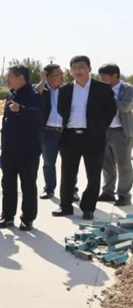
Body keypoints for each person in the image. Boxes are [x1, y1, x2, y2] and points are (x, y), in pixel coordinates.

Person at [52, 55, 117, 220]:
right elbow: (61, 110)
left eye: (82, 67)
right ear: (71, 71)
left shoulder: (102, 88)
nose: (78, 71)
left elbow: (111, 110)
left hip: (93, 138)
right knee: (67, 174)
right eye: (75, 68)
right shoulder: (65, 90)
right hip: (70, 137)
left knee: (93, 175)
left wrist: (99, 127)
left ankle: (88, 208)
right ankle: (65, 206)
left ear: (89, 69)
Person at [0, 65, 44, 231]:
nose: (7, 79)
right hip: (9, 148)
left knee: (28, 185)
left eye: (10, 76)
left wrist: (21, 109)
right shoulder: (11, 94)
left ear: (21, 78)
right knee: (8, 183)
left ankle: (27, 218)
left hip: (28, 149)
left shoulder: (33, 95)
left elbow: (39, 116)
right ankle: (7, 216)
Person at [97, 63, 133, 207]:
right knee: (106, 164)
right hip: (104, 130)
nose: (101, 79)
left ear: (114, 76)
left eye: (103, 76)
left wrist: (109, 96)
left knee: (123, 164)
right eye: (100, 76)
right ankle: (108, 192)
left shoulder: (128, 89)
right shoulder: (100, 89)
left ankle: (124, 195)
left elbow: (125, 107)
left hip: (121, 132)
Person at [34, 64, 65, 199]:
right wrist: (43, 81)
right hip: (48, 132)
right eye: (58, 75)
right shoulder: (42, 89)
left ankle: (72, 190)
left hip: (66, 132)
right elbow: (34, 95)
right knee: (49, 163)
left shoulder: (66, 90)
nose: (62, 77)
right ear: (48, 77)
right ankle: (49, 188)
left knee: (69, 163)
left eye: (62, 74)